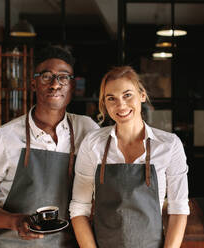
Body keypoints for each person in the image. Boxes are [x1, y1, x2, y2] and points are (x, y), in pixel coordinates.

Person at [0, 45, 99, 248]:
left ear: (72, 87)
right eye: (46, 76)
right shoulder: (4, 137)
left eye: (64, 77)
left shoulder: (87, 129)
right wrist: (15, 222)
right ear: (33, 84)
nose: (55, 85)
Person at [69, 66, 189, 248]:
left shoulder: (169, 145)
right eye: (111, 98)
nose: (121, 105)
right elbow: (79, 208)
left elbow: (178, 208)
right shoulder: (93, 144)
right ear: (104, 104)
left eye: (127, 95)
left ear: (142, 95)